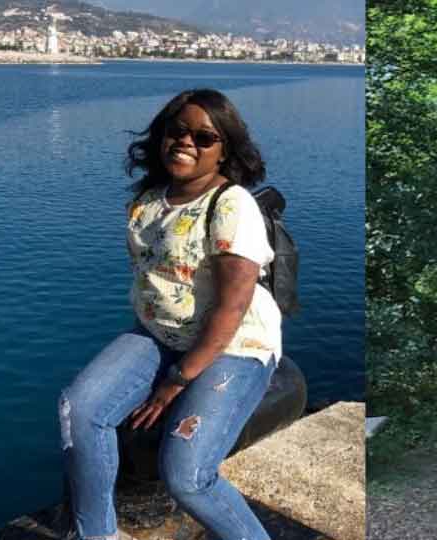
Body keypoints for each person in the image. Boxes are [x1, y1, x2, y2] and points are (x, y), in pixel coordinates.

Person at [59, 89, 280, 540]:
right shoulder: (150, 199)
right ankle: (97, 534)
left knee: (187, 476)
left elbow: (233, 307)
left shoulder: (231, 205)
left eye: (204, 137)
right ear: (161, 136)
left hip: (234, 344)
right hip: (161, 334)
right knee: (77, 410)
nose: (187, 142)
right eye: (177, 131)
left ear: (224, 151)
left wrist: (176, 381)